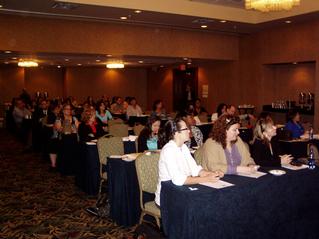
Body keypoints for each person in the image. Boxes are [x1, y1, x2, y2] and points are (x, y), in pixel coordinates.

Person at [155, 118, 223, 206]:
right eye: (186, 129)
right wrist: (206, 179)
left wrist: (212, 174)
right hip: (167, 197)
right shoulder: (168, 150)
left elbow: (195, 170)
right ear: (176, 133)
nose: (189, 131)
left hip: (181, 191)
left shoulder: (183, 147)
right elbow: (179, 180)